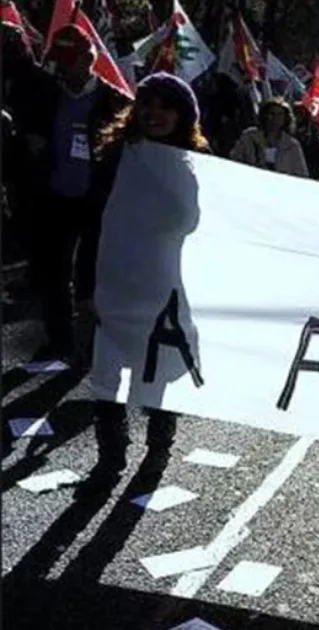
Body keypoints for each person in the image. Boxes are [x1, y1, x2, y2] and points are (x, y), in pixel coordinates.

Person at [88, 72, 211, 475]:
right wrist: (84, 286)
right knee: (105, 374)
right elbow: (92, 222)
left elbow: (193, 223)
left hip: (163, 285)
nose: (154, 112)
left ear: (183, 116)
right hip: (114, 281)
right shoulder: (115, 158)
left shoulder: (192, 166)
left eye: (165, 106)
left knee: (157, 369)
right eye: (147, 103)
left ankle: (159, 449)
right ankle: (110, 456)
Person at [21, 24, 130, 366]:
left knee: (92, 275)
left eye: (68, 61)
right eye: (59, 61)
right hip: (56, 197)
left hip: (97, 201)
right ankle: (60, 341)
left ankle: (92, 342)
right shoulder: (47, 94)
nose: (63, 69)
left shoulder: (115, 102)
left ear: (88, 59)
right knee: (54, 272)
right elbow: (31, 131)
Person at [229, 97, 309, 177]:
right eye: (272, 114)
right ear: (264, 115)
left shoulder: (292, 145)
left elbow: (301, 174)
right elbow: (234, 161)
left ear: (286, 118)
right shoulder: (249, 137)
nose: (275, 118)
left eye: (280, 114)